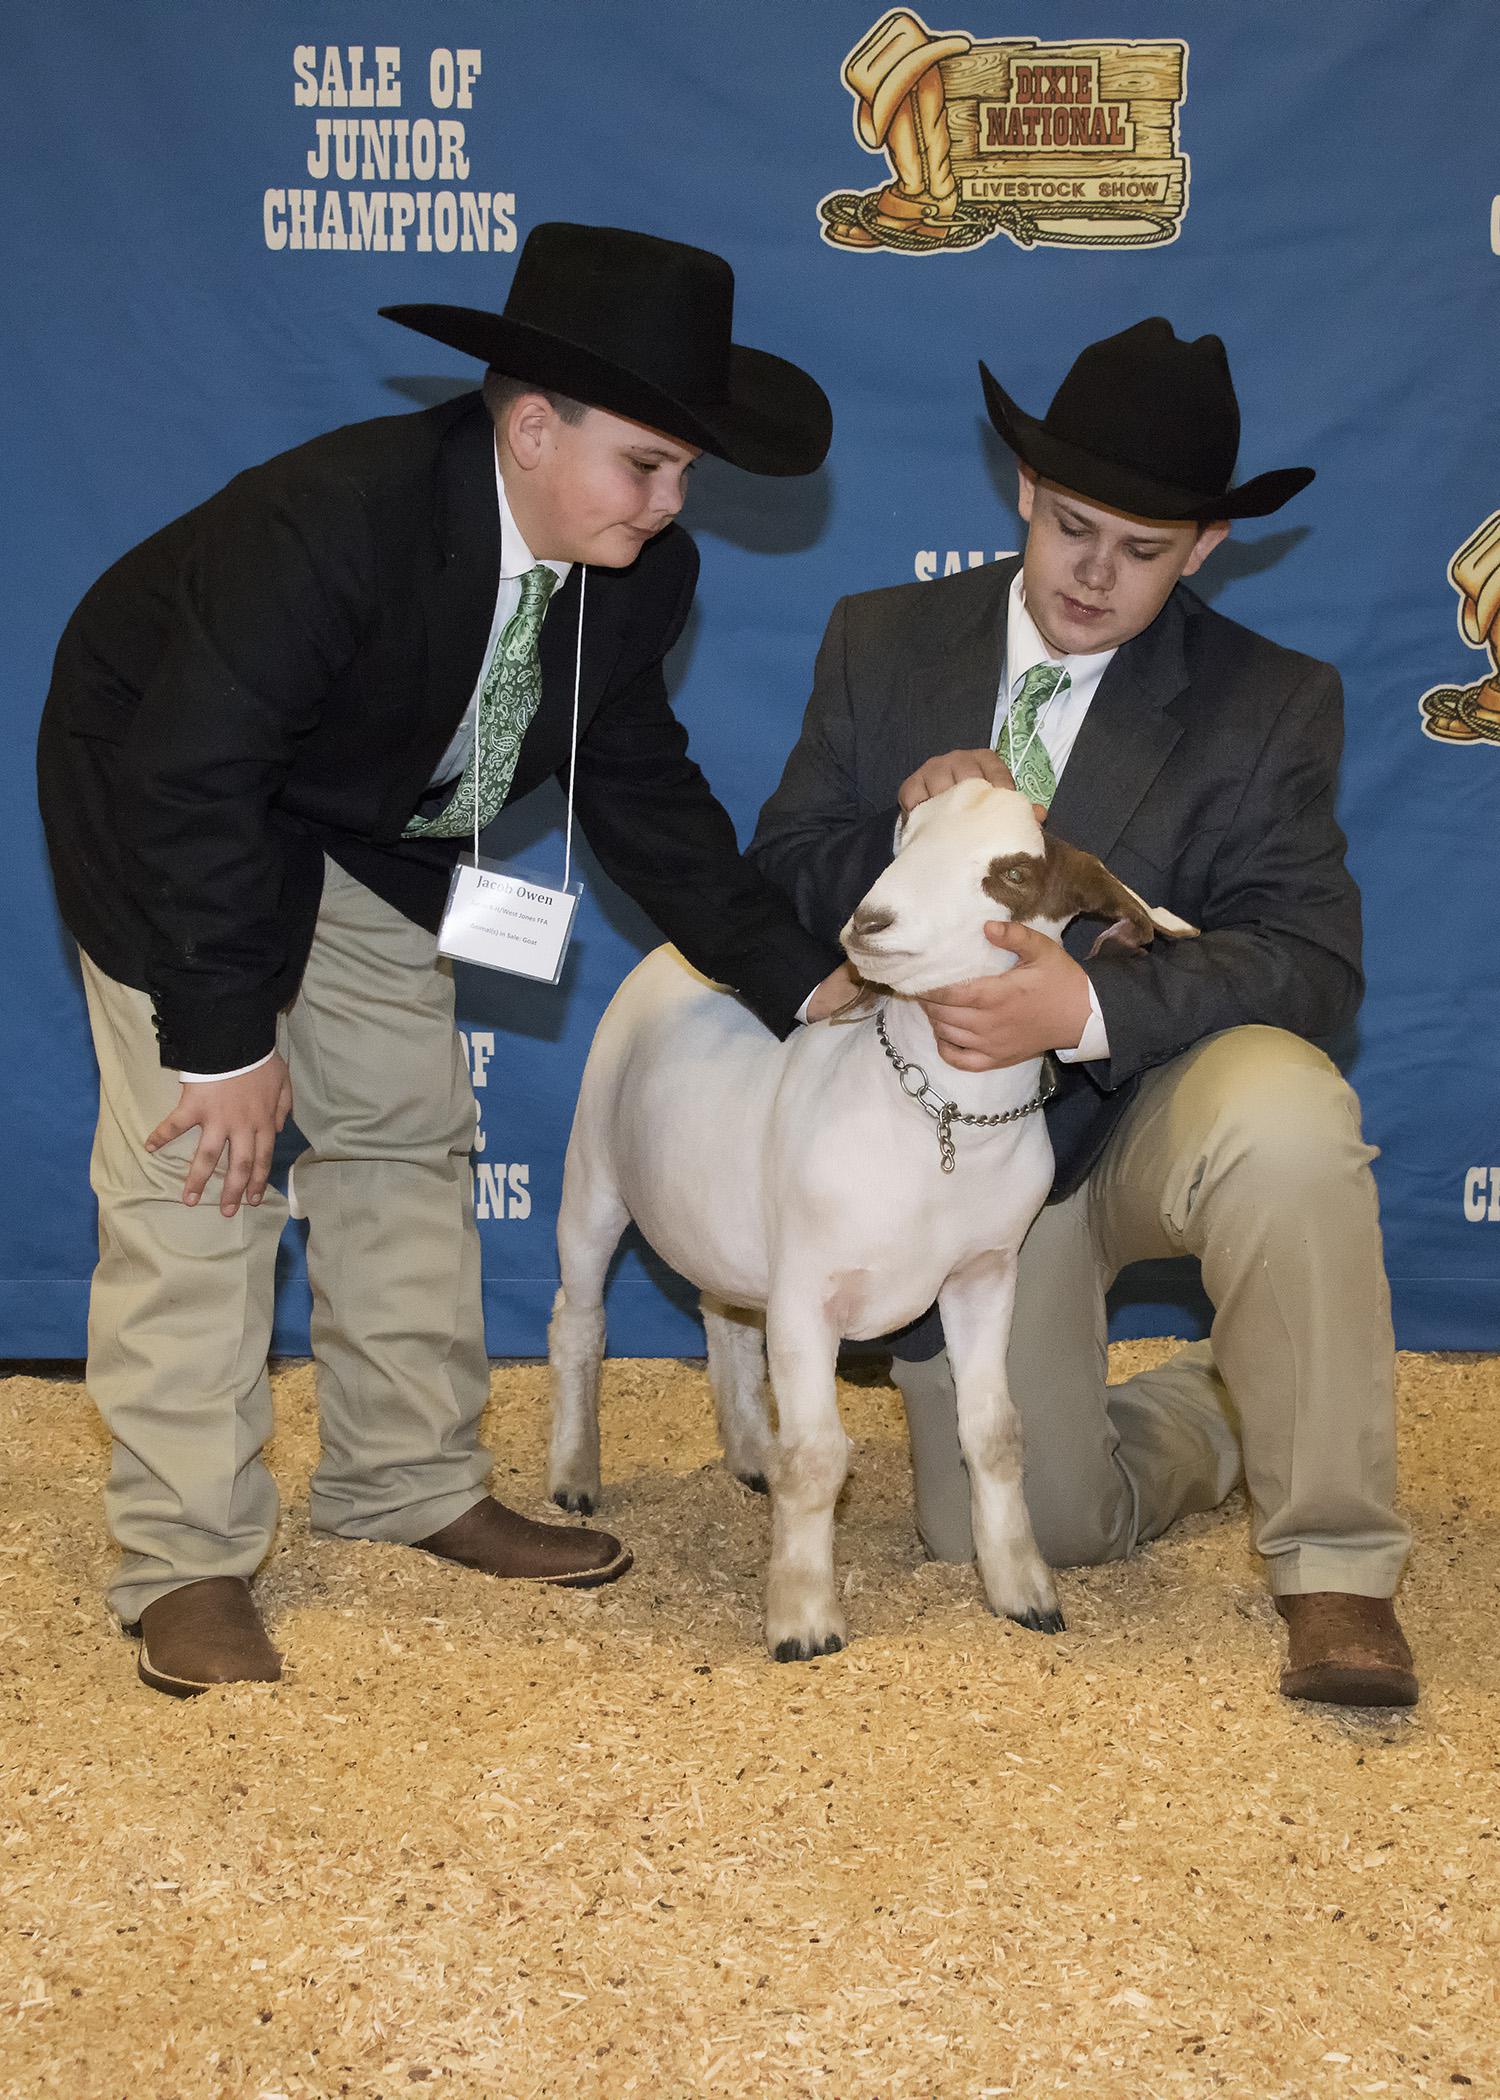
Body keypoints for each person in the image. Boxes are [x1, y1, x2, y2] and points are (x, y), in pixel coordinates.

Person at [38, 221, 850, 1697]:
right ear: (533, 427)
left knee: (405, 1126)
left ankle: (404, 1479)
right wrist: (224, 1040)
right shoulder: (332, 522)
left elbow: (640, 787)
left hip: (365, 826)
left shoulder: (633, 575)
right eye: (648, 466)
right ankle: (187, 1560)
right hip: (167, 805)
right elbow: (196, 770)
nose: (674, 507)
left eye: (687, 473)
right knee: (204, 1172)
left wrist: (796, 978)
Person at [751, 319, 1418, 1708]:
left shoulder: (1272, 703)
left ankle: (1336, 1565)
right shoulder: (882, 639)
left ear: (1208, 549)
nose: (1093, 577)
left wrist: (1087, 1003)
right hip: (946, 1157)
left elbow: (1313, 958)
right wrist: (903, 832)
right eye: (1071, 529)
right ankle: (1221, 1410)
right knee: (1027, 1523)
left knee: (1292, 1118)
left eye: (1143, 550)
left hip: (1138, 1104)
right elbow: (783, 865)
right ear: (1022, 495)